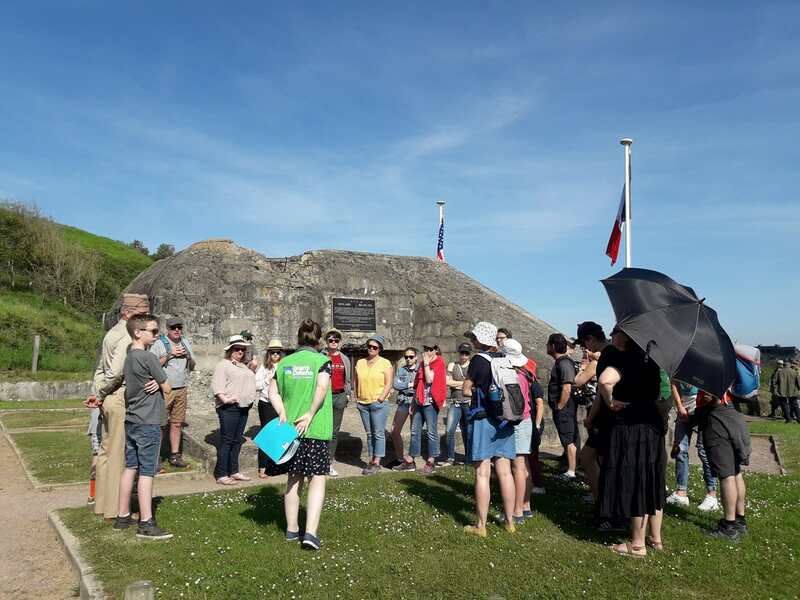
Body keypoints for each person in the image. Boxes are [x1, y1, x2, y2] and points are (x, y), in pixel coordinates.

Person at [597, 327, 666, 557]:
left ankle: (637, 544)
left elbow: (605, 381)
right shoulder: (654, 359)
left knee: (636, 480)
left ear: (627, 335)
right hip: (652, 423)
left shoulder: (624, 358)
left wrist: (610, 401)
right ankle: (655, 538)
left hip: (632, 424)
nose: (612, 334)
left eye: (616, 331)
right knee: (651, 478)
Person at [265, 319, 333, 551]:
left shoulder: (284, 363)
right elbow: (321, 388)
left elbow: (271, 391)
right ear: (319, 339)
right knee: (317, 478)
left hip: (290, 430)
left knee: (293, 478)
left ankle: (292, 529)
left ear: (298, 338)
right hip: (314, 429)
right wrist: (310, 413)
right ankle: (311, 533)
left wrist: (282, 411)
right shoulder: (322, 361)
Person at [87, 293, 152, 520]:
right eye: (141, 314)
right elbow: (115, 372)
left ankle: (103, 504)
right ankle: (116, 508)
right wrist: (103, 392)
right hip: (120, 396)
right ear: (127, 313)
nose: (145, 320)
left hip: (108, 397)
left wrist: (98, 393)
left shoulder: (111, 333)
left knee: (106, 451)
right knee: (118, 454)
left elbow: (99, 370)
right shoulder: (126, 336)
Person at [113, 313, 173, 539]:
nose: (157, 335)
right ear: (138, 332)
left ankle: (123, 515)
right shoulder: (148, 358)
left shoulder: (129, 357)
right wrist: (158, 383)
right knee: (147, 471)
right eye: (154, 331)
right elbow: (167, 387)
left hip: (132, 419)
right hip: (148, 421)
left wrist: (155, 383)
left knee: (130, 467)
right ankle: (146, 522)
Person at [462, 322, 517, 537]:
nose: (473, 341)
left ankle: (481, 526)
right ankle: (510, 522)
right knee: (505, 472)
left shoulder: (478, 361)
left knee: (482, 473)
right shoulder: (505, 358)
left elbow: (467, 390)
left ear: (480, 340)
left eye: (474, 338)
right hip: (505, 419)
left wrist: (476, 389)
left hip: (484, 420)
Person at [696, 388, 751, 541]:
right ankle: (740, 520)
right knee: (736, 471)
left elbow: (713, 398)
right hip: (733, 415)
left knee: (726, 476)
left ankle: (729, 525)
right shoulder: (731, 366)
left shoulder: (710, 368)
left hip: (718, 421)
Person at [149, 316, 196, 468]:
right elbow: (152, 365)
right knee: (160, 424)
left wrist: (187, 356)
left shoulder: (185, 343)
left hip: (181, 388)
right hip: (165, 389)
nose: (177, 330)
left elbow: (193, 365)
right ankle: (155, 458)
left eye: (179, 327)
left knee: (176, 423)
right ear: (167, 329)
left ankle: (174, 456)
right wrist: (170, 355)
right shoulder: (158, 344)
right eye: (173, 327)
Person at [665, 381, 719, 511]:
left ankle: (712, 495)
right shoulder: (678, 362)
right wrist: (679, 405)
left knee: (703, 449)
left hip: (702, 406)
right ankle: (681, 492)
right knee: (681, 450)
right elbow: (674, 382)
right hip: (684, 405)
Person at [211, 334, 257, 485]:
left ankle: (234, 471)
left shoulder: (243, 366)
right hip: (230, 407)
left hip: (243, 406)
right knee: (227, 440)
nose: (240, 352)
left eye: (242, 349)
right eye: (237, 349)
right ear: (230, 349)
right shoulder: (223, 365)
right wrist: (225, 399)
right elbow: (217, 386)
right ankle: (222, 474)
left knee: (237, 440)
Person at [502, 339, 535, 524]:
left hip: (518, 422)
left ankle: (517, 511)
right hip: (525, 420)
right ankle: (522, 507)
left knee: (517, 468)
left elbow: (514, 406)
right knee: (520, 467)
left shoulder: (514, 377)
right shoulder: (523, 374)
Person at [355, 335, 394, 475]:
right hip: (363, 403)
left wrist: (381, 399)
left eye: (375, 347)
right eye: (369, 346)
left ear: (379, 349)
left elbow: (389, 383)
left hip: (378, 403)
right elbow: (356, 381)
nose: (371, 349)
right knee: (369, 434)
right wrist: (357, 398)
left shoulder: (385, 363)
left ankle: (377, 462)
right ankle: (371, 460)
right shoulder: (360, 362)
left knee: (378, 433)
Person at [408, 339, 447, 475]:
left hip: (430, 403)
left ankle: (431, 460)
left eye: (430, 349)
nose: (428, 352)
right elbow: (418, 383)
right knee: (414, 431)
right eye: (426, 348)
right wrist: (413, 402)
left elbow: (430, 379)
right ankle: (411, 459)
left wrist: (425, 364)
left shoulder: (439, 362)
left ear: (436, 349)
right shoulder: (421, 363)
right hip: (419, 401)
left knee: (431, 432)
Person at [547, 333, 579, 480]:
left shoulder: (564, 363)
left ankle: (571, 471)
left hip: (564, 409)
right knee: (566, 438)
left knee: (569, 440)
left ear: (553, 346)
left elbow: (567, 387)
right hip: (563, 408)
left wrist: (560, 406)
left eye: (548, 344)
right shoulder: (561, 362)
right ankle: (569, 467)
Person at [321, 328, 352, 477]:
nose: (333, 342)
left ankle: (329, 463)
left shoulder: (344, 358)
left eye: (336, 340)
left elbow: (347, 379)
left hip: (339, 396)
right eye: (331, 340)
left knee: (334, 432)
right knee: (321, 429)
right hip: (324, 396)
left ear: (339, 342)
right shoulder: (320, 356)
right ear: (326, 341)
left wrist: (347, 395)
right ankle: (319, 461)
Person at [254, 338, 284, 478]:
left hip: (280, 404)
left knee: (279, 434)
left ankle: (276, 465)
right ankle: (263, 466)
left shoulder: (285, 366)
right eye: (273, 353)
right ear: (269, 354)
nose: (275, 355)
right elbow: (257, 385)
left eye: (278, 353)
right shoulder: (263, 368)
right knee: (266, 434)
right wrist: (268, 379)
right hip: (266, 403)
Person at [444, 343, 472, 466]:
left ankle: (469, 458)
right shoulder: (452, 365)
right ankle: (450, 458)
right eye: (462, 353)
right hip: (455, 402)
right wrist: (464, 383)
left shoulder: (472, 366)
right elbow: (447, 382)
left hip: (468, 402)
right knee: (449, 430)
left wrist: (456, 383)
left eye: (466, 353)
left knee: (468, 431)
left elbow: (474, 385)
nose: (464, 356)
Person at [391, 347, 419, 471]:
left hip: (416, 402)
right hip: (403, 402)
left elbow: (421, 386)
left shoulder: (420, 370)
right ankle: (401, 459)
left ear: (416, 357)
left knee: (414, 432)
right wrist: (410, 384)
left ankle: (411, 461)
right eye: (406, 356)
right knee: (394, 430)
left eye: (411, 357)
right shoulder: (401, 369)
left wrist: (408, 385)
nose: (408, 359)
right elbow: (396, 384)